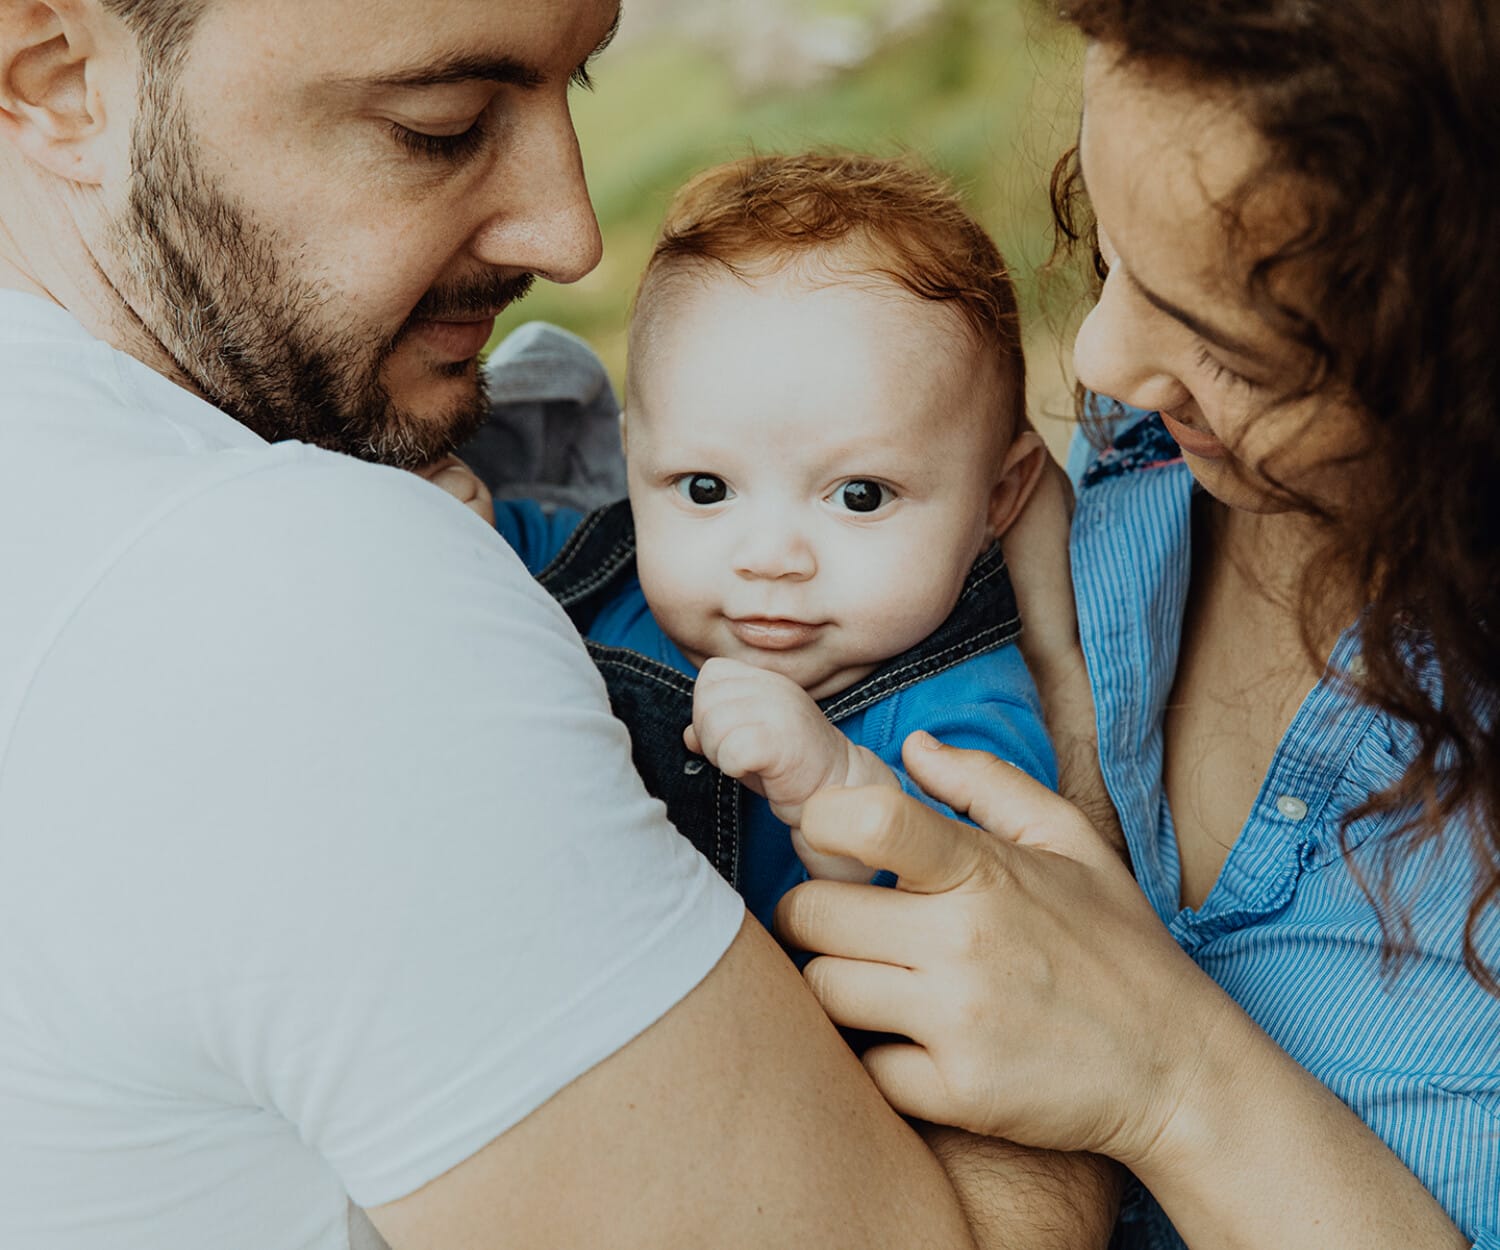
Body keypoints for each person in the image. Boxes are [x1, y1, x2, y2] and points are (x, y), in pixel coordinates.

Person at [0, 2, 1120, 1247]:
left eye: (577, 83)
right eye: (441, 125)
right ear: (57, 78)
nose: (573, 234)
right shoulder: (309, 592)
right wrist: (1105, 971)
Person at [777, 3, 1500, 1248]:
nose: (1102, 365)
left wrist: (1169, 1076)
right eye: (1112, 256)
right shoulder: (1153, 452)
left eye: (1237, 350)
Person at [448, 151, 1056, 933]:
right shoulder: (605, 569)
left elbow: (983, 910)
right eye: (705, 489)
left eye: (860, 496)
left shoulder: (960, 715)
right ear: (633, 464)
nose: (769, 559)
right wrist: (459, 523)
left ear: (997, 499)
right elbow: (490, 561)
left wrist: (833, 785)